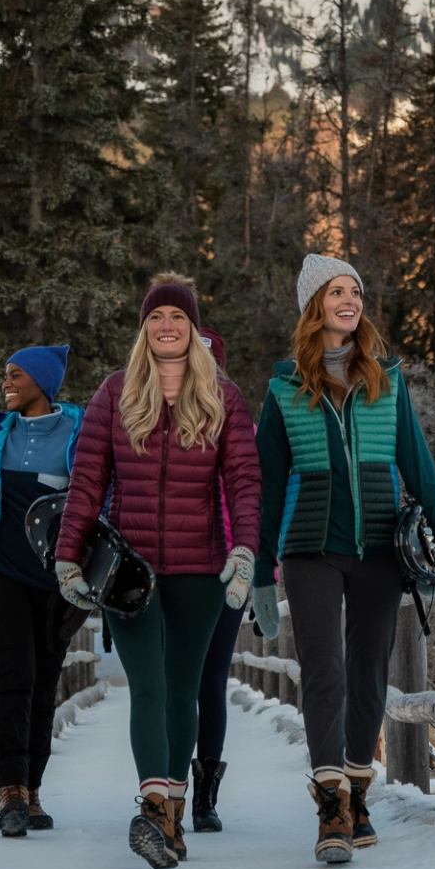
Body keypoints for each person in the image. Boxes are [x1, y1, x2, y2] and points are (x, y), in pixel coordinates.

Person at [252, 254, 435, 865]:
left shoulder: (386, 379)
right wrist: (263, 571)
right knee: (324, 671)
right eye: (336, 291)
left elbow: (419, 467)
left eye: (356, 291)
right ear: (313, 305)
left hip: (379, 548)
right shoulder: (285, 388)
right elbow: (266, 486)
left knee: (369, 671)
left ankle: (358, 787)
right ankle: (330, 806)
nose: (350, 300)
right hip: (311, 548)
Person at [53, 276, 261, 869]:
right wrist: (69, 555)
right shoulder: (114, 393)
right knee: (147, 686)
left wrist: (244, 552)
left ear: (193, 328)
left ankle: (171, 813)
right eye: (156, 316)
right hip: (131, 573)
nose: (167, 324)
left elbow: (245, 483)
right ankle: (152, 804)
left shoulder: (224, 396)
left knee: (183, 689)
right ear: (143, 328)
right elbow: (87, 480)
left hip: (200, 570)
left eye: (177, 315)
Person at [0, 344, 90, 838]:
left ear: (43, 382)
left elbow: (98, 497)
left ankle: (33, 789)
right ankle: (9, 789)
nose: (7, 383)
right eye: (5, 374)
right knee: (13, 675)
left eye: (16, 375)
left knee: (43, 682)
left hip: (57, 579)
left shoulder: (79, 433)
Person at [189, 327, 243, 834]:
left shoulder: (236, 422)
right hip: (173, 567)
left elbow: (255, 499)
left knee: (211, 680)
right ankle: (164, 788)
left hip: (227, 570)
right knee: (172, 682)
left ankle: (204, 798)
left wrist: (260, 575)